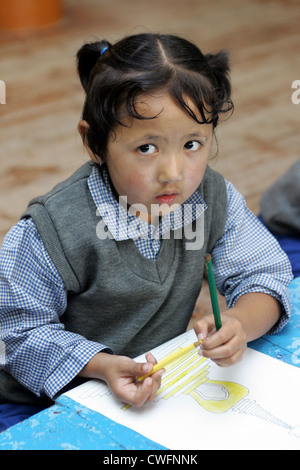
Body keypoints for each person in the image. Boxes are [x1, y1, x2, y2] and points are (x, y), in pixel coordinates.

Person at [0, 33, 293, 414]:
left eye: (192, 144)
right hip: (43, 402)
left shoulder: (213, 198)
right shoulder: (51, 230)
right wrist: (100, 366)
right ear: (94, 144)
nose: (172, 174)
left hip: (157, 400)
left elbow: (265, 275)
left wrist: (240, 322)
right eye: (146, 148)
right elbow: (18, 335)